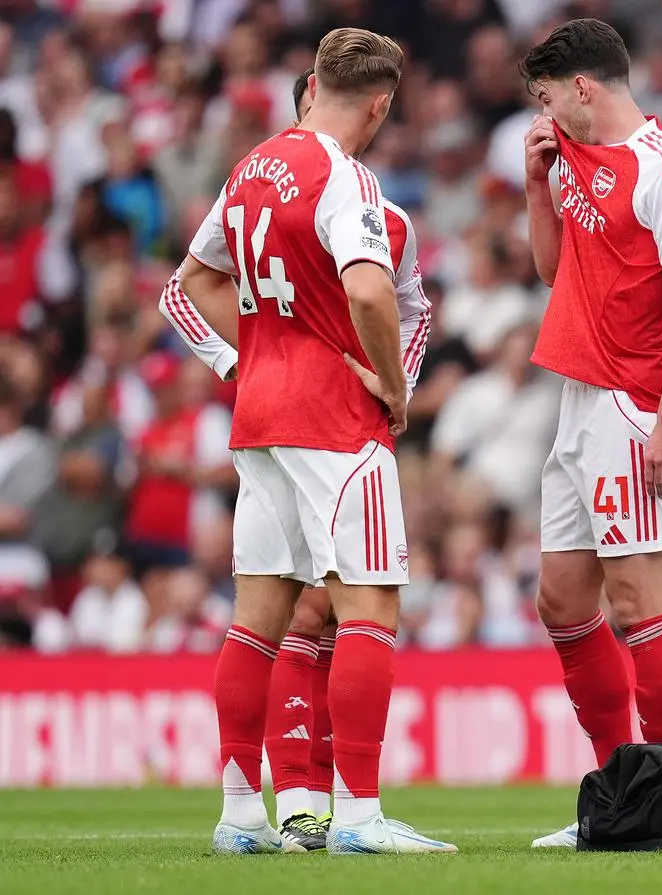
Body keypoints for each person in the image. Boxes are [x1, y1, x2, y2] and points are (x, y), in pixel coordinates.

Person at [178, 28, 454, 856]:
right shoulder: (347, 177)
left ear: (310, 89)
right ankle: (360, 816)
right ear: (380, 105)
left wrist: (242, 361)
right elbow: (371, 291)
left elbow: (192, 281)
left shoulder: (253, 166)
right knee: (369, 606)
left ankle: (238, 814)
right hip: (334, 420)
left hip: (259, 416)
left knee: (255, 620)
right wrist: (392, 385)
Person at [518, 19, 662, 849]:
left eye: (548, 95)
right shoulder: (572, 158)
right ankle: (617, 800)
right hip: (577, 399)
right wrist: (536, 186)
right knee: (561, 598)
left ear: (585, 86)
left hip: (636, 406)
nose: (544, 111)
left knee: (639, 601)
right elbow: (553, 272)